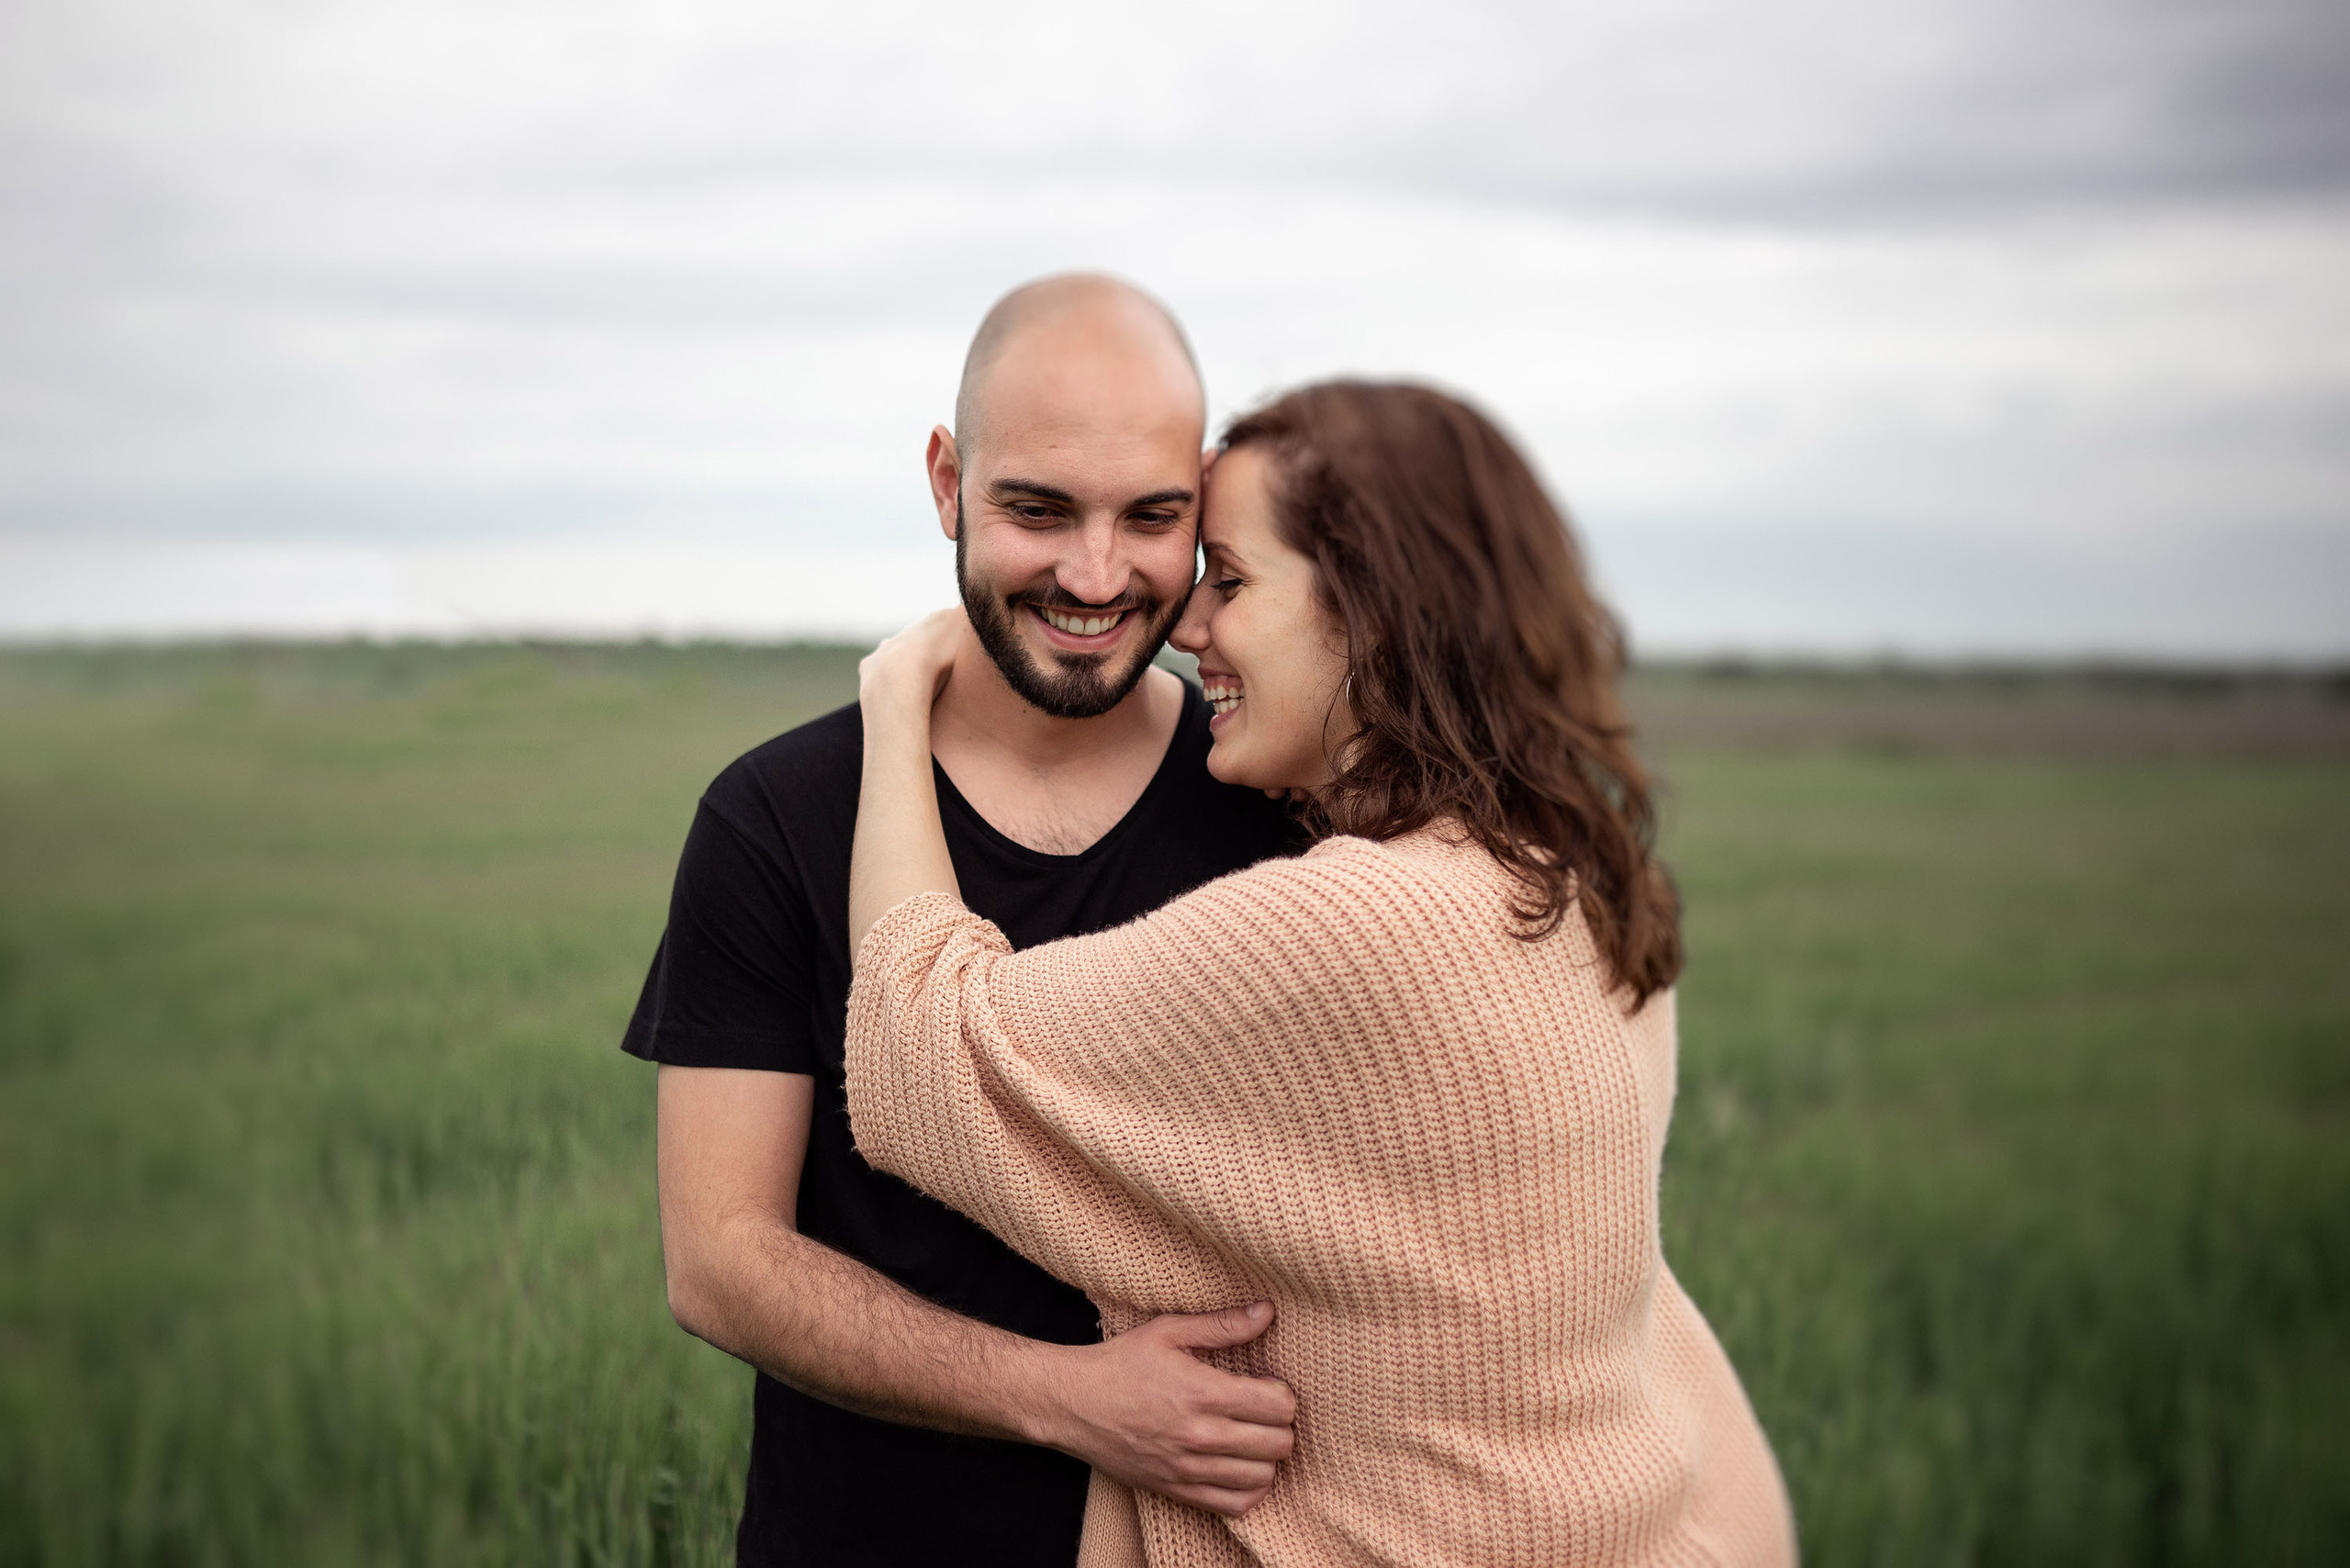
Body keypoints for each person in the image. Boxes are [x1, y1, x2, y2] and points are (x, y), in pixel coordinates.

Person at [843, 381, 1799, 1566]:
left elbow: (917, 1048)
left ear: (1375, 612)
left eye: (1232, 580)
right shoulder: (1566, 878)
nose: (1188, 627)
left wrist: (894, 703)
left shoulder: (1361, 922)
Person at [624, 274, 1303, 1566]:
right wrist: (1072, 1400)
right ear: (948, 483)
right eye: (1038, 510)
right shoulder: (776, 817)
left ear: (1203, 507)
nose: (1096, 575)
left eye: (1152, 517)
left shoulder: (1278, 809)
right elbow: (720, 1259)